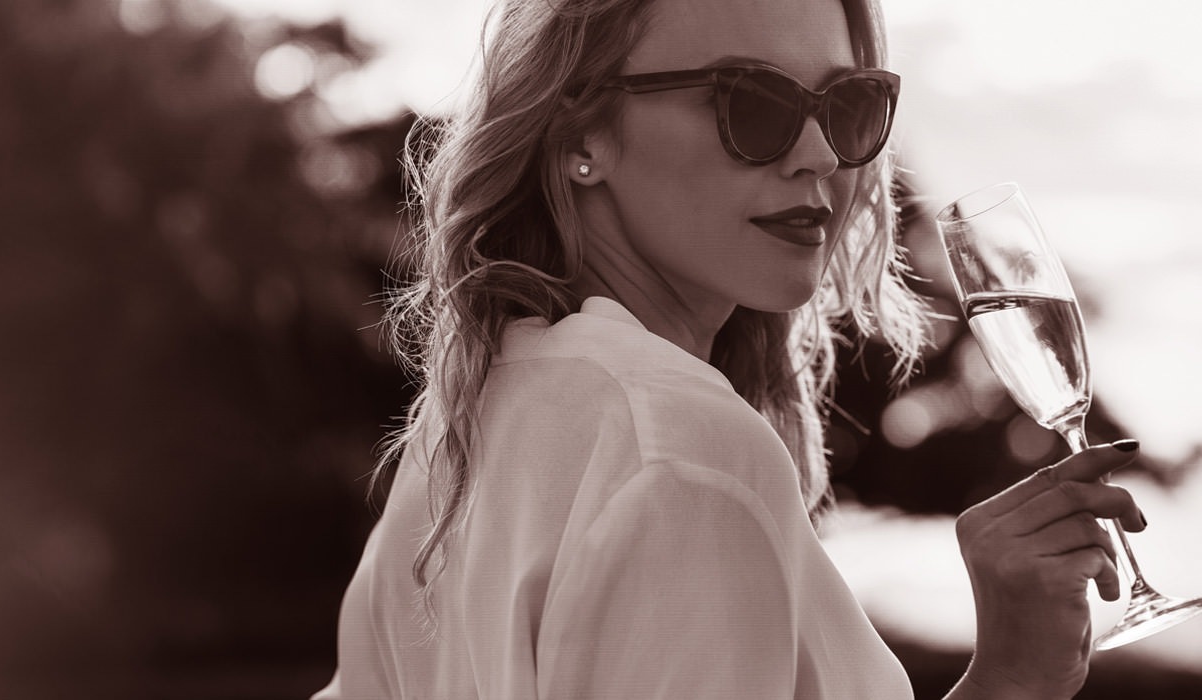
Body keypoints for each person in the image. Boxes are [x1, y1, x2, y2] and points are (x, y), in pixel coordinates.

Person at [314, 0, 1149, 697]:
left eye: (849, 105)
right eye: (751, 103)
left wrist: (1005, 676)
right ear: (582, 138)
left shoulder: (463, 427)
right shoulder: (681, 450)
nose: (820, 154)